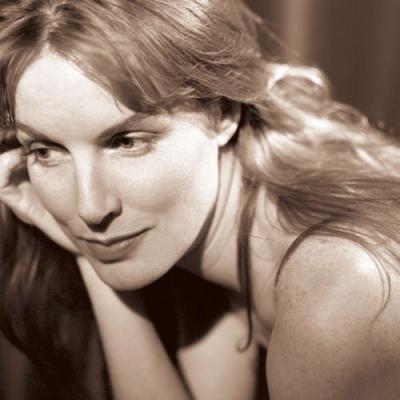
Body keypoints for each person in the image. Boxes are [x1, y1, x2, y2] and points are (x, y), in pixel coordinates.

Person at [1, 0, 400, 399]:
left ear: (221, 114)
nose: (89, 207)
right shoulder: (208, 241)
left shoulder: (341, 291)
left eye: (126, 142)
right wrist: (92, 258)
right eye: (46, 151)